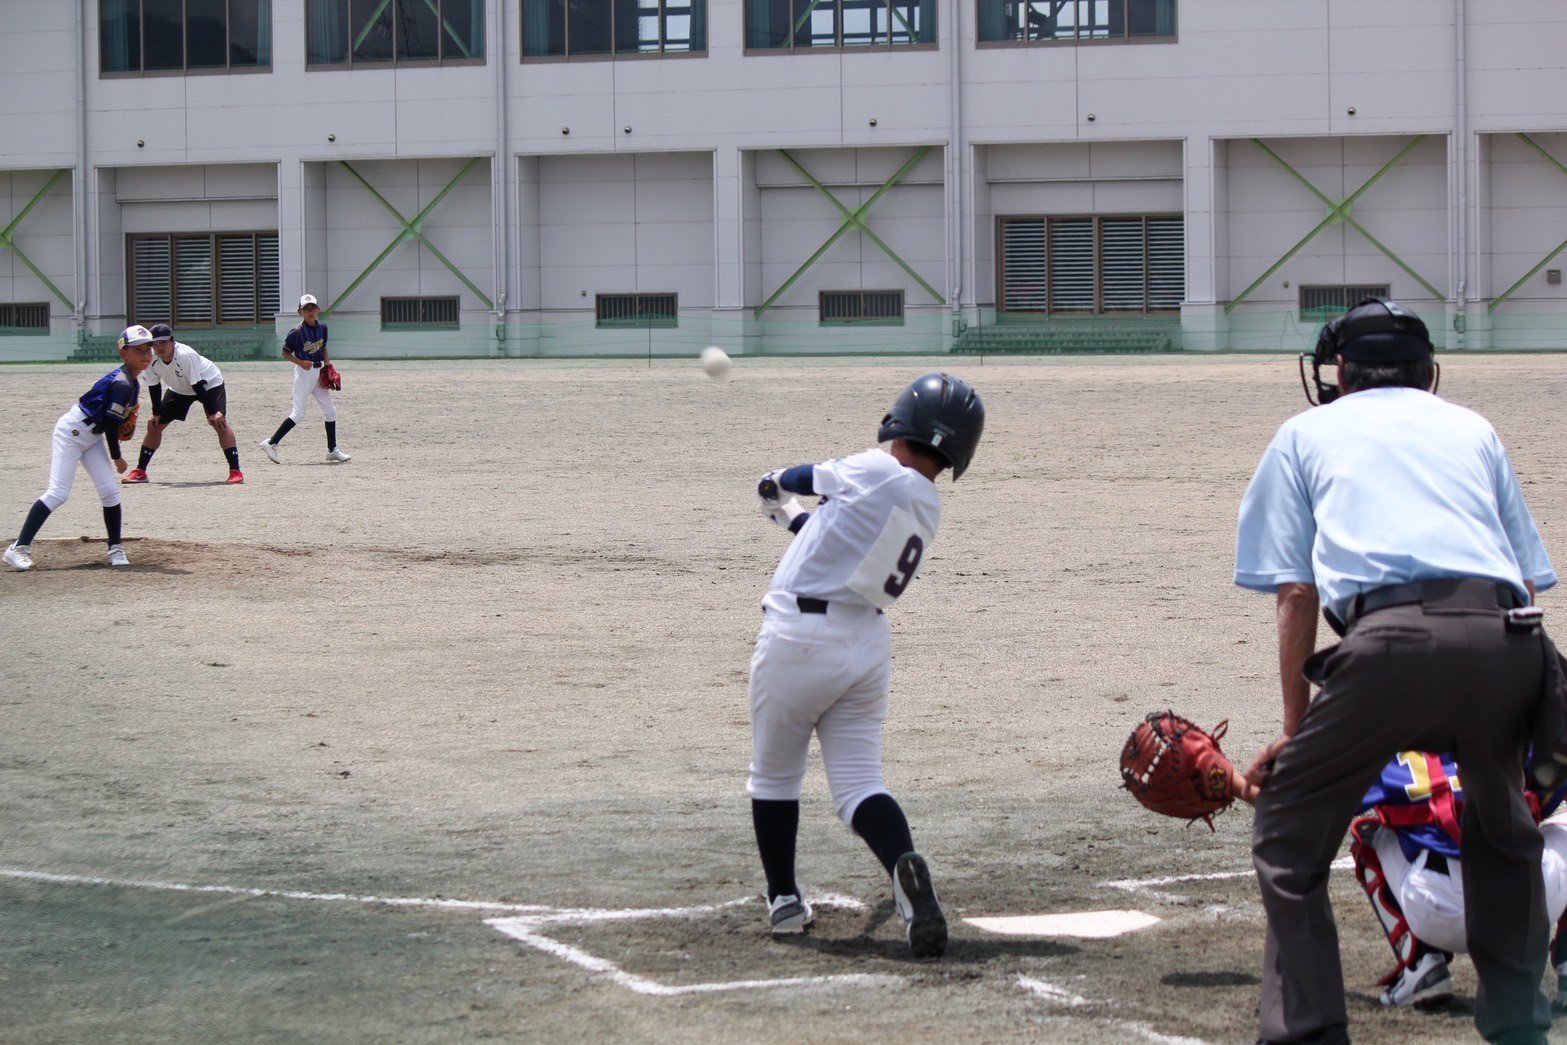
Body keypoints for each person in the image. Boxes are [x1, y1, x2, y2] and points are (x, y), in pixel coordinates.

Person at [1233, 298, 1559, 1044]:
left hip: (1386, 644)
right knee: (1503, 831)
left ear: (1338, 371)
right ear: (1427, 373)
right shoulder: (1471, 427)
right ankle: (1518, 1027)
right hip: (1506, 640)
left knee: (1286, 835)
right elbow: (1526, 581)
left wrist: (1294, 728)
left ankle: (1309, 1033)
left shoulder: (1304, 432)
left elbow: (1294, 591)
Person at [745, 372, 984, 960]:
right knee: (859, 787)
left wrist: (775, 483)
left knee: (775, 776)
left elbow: (807, 476)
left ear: (902, 424)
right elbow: (831, 540)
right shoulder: (925, 506)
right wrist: (787, 515)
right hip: (864, 648)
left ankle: (783, 901)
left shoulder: (878, 471)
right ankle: (902, 863)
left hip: (798, 640)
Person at [1347, 751, 1567, 1010]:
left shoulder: (1387, 739)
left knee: (1372, 834)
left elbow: (1320, 802)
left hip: (1439, 913)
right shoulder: (1516, 724)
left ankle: (1422, 964)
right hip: (1529, 907)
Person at [4, 325, 154, 571]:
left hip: (91, 436)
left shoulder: (131, 381)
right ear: (124, 353)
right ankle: (18, 548)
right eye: (139, 350)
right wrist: (118, 458)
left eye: (148, 349)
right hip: (72, 433)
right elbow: (108, 424)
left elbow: (108, 421)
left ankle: (115, 548)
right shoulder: (124, 383)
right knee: (58, 492)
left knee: (110, 492)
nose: (146, 354)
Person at [123, 323, 243, 485]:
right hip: (180, 388)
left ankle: (235, 471)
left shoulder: (185, 355)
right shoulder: (150, 358)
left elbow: (198, 386)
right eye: (155, 343)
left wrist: (214, 411)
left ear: (173, 341)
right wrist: (156, 413)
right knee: (155, 425)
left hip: (208, 383)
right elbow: (154, 386)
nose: (159, 347)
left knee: (218, 422)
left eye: (163, 342)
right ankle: (140, 471)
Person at [258, 293, 349, 465]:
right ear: (299, 312)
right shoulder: (296, 332)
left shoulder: (323, 327)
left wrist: (328, 366)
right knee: (299, 413)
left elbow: (323, 348)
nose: (310, 312)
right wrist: (300, 362)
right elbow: (285, 352)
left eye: (312, 308)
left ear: (318, 310)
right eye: (306, 309)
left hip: (319, 371)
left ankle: (332, 450)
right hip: (304, 374)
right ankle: (271, 443)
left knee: (330, 411)